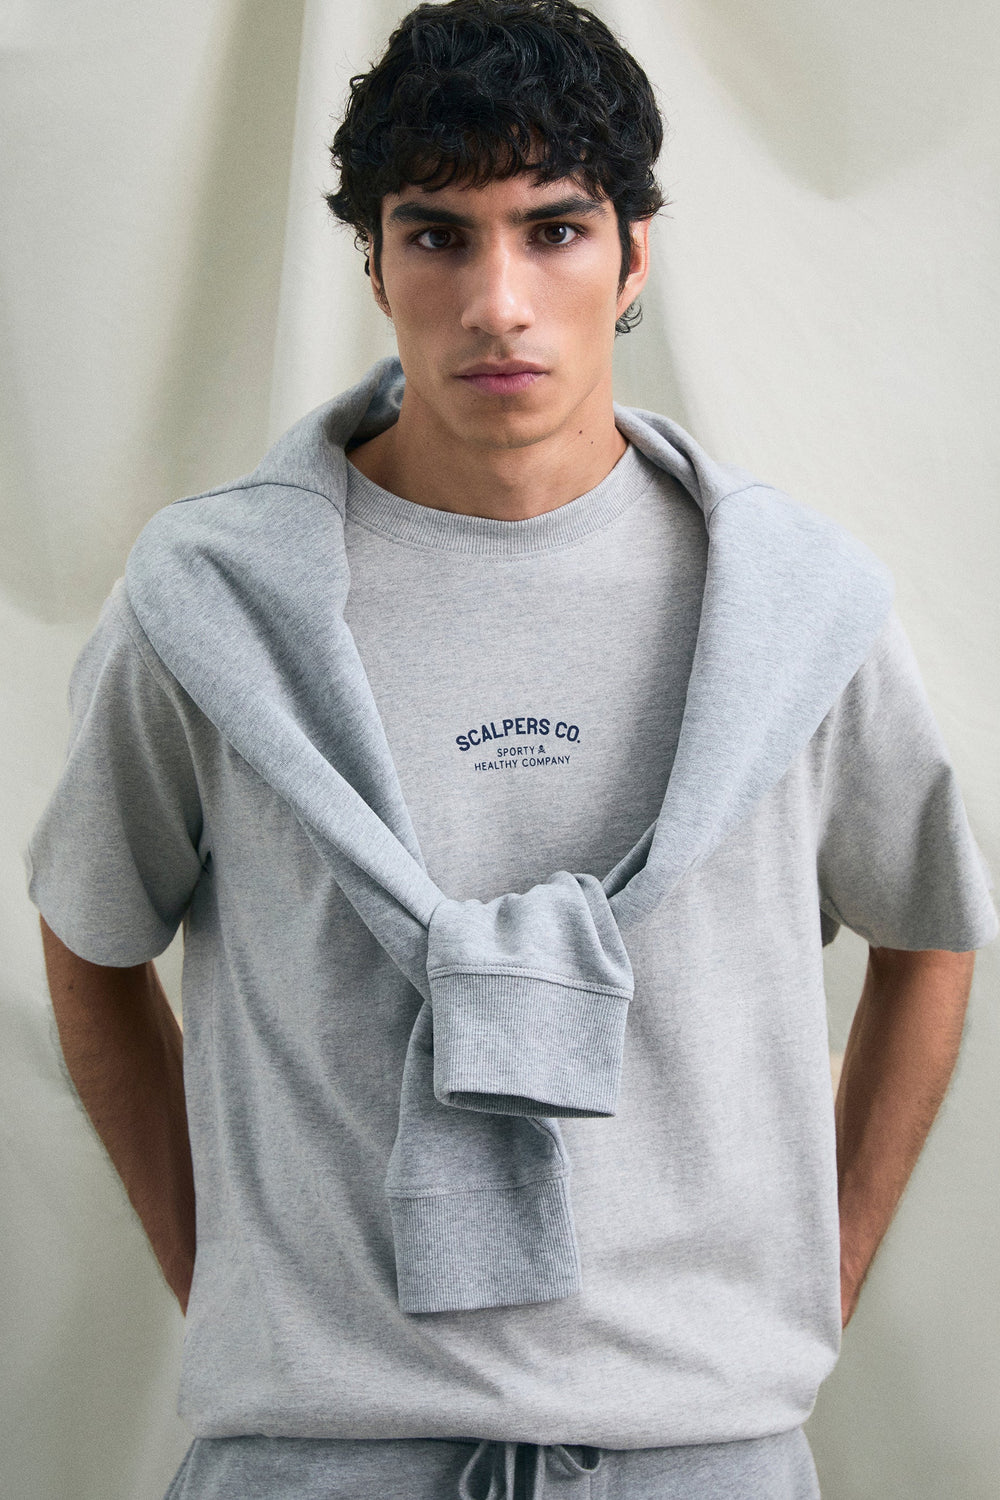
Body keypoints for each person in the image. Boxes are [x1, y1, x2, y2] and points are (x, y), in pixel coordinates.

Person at [28, 2, 996, 1497]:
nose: (498, 302)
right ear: (374, 262)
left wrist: (820, 1281)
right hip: (315, 1458)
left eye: (554, 231)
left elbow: (931, 932)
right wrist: (234, 1290)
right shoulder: (209, 606)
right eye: (437, 236)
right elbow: (90, 939)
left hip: (701, 1455)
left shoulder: (799, 609)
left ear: (634, 255)